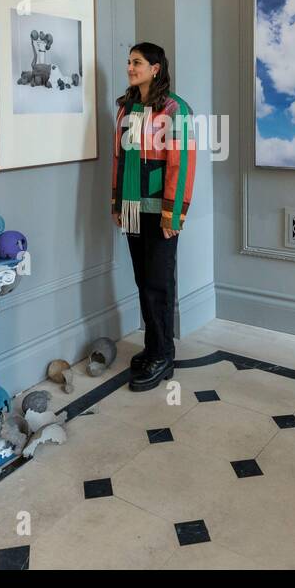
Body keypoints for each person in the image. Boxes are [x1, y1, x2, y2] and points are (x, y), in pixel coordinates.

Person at [111, 42, 196, 392]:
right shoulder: (125, 108)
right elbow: (119, 159)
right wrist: (117, 202)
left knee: (159, 283)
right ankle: (152, 346)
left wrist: (172, 214)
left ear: (156, 68)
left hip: (161, 211)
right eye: (129, 62)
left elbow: (182, 163)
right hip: (132, 208)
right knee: (143, 280)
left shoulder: (176, 110)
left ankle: (164, 355)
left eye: (138, 62)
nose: (131, 67)